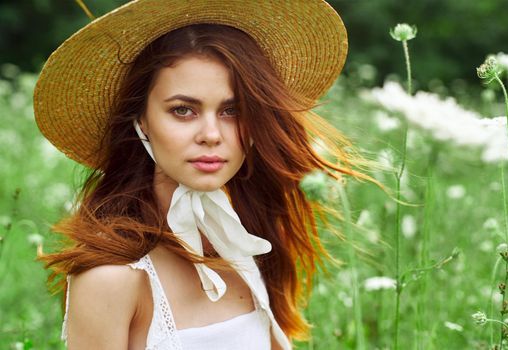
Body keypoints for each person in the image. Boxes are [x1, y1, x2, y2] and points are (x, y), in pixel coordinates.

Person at [33, 0, 382, 349]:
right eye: (183, 110)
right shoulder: (111, 278)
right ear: (141, 120)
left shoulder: (250, 243)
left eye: (232, 110)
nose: (211, 134)